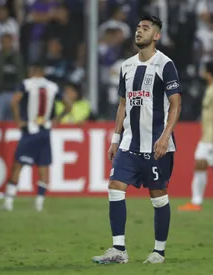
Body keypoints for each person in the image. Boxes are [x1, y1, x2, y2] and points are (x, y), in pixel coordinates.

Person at [92, 15, 181, 265]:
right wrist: (115, 138)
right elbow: (123, 104)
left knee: (159, 196)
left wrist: (165, 137)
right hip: (129, 144)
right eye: (138, 27)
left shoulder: (166, 64)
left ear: (156, 36)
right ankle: (118, 249)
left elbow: (176, 104)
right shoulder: (126, 66)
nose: (139, 31)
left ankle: (158, 252)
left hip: (155, 145)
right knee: (115, 188)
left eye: (146, 28)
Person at [1, 62, 72, 212]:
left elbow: (14, 101)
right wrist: (56, 120)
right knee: (43, 168)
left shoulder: (26, 84)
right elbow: (68, 105)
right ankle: (39, 204)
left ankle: (8, 203)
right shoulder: (52, 86)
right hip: (45, 130)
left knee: (18, 165)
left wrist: (18, 120)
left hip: (30, 130)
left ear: (32, 70)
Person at [178, 62, 213, 212]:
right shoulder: (212, 88)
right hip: (207, 137)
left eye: (205, 70)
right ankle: (196, 202)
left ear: (209, 73)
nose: (202, 72)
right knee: (200, 164)